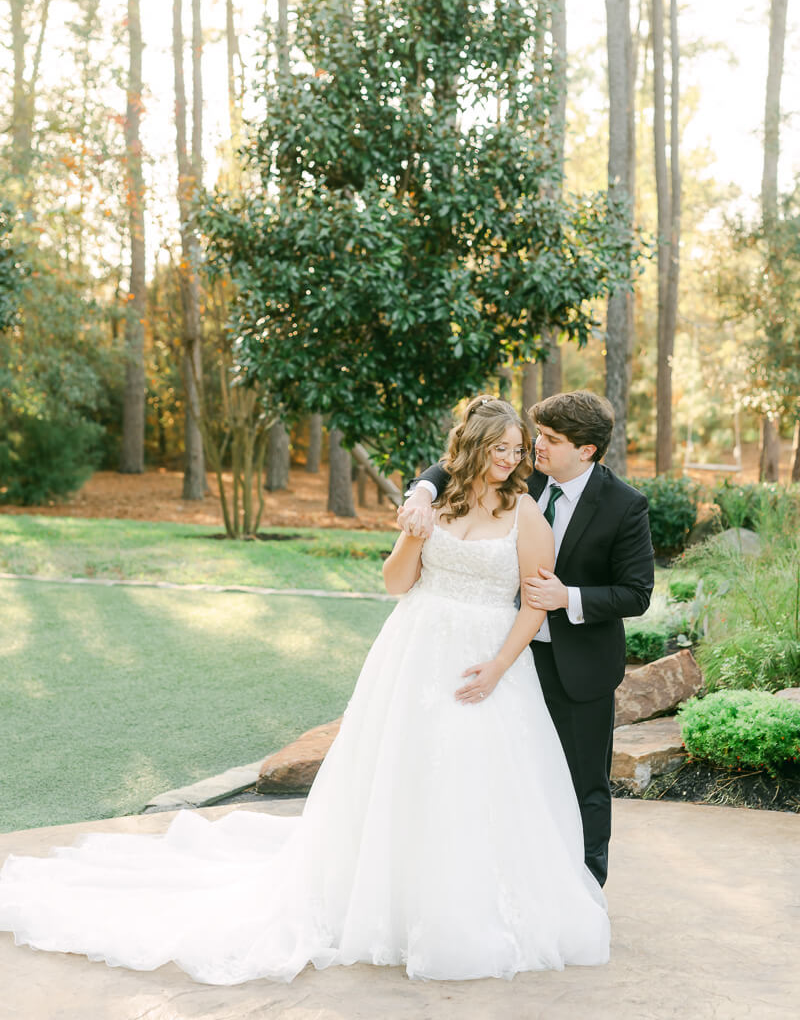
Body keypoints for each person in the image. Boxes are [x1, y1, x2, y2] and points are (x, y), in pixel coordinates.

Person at [0, 396, 609, 985]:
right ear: (472, 448)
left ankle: (470, 907)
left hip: (486, 661)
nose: (512, 459)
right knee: (399, 773)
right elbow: (396, 583)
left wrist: (500, 666)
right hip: (415, 653)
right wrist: (414, 530)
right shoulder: (436, 506)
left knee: (476, 782)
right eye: (500, 449)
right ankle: (387, 901)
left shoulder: (526, 514)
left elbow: (535, 602)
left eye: (516, 450)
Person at [400, 390, 654, 887]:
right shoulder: (521, 474)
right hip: (506, 657)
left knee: (584, 783)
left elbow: (636, 592)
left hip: (578, 666)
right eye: (536, 436)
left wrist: (569, 597)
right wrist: (420, 493)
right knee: (507, 774)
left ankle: (585, 889)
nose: (535, 447)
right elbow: (452, 466)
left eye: (551, 440)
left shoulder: (624, 505)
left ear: (587, 451)